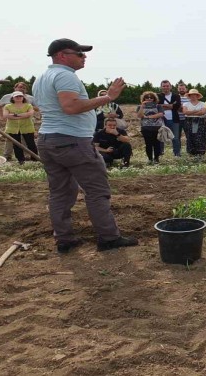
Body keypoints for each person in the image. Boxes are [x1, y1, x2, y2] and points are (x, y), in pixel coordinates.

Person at [32, 38, 137, 253]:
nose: (84, 56)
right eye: (79, 53)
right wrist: (108, 97)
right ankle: (108, 237)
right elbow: (71, 107)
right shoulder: (64, 75)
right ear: (62, 55)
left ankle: (64, 239)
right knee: (97, 190)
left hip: (48, 140)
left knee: (60, 192)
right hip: (72, 141)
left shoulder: (42, 77)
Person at [0, 82, 38, 161]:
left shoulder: (30, 98)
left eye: (24, 88)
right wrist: (2, 116)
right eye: (20, 87)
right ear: (15, 88)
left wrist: (28, 109)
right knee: (11, 141)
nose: (21, 89)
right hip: (12, 124)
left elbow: (36, 109)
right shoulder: (7, 97)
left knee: (27, 141)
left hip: (26, 123)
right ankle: (7, 155)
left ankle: (27, 156)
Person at [136, 91, 164, 164]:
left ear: (154, 99)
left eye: (151, 97)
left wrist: (148, 117)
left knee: (157, 144)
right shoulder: (140, 106)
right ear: (144, 98)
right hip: (146, 128)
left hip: (157, 127)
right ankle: (150, 159)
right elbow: (139, 116)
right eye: (147, 97)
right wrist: (142, 107)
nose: (149, 99)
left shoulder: (158, 106)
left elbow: (161, 114)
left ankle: (156, 158)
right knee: (148, 144)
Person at [158, 80, 182, 157]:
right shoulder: (157, 96)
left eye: (167, 86)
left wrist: (164, 106)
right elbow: (157, 106)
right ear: (161, 87)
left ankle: (177, 154)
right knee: (161, 137)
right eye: (164, 86)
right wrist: (171, 105)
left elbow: (177, 106)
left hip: (174, 119)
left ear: (170, 86)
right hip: (161, 120)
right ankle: (160, 153)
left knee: (175, 138)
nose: (166, 87)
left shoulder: (176, 96)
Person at [182, 89, 206, 157]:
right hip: (188, 121)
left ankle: (200, 153)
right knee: (190, 136)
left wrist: (190, 112)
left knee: (200, 136)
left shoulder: (202, 103)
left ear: (197, 96)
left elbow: (203, 112)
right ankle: (191, 152)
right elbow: (185, 112)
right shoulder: (185, 104)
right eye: (191, 95)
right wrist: (197, 111)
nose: (193, 96)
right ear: (189, 96)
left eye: (194, 95)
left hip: (200, 121)